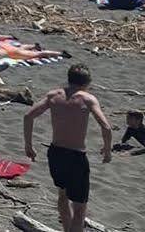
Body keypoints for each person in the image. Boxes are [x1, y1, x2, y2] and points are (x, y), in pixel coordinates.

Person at [24, 65, 112, 232]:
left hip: (56, 153)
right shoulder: (87, 99)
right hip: (76, 156)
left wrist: (28, 145)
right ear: (87, 83)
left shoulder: (53, 95)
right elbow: (106, 127)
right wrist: (107, 150)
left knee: (62, 195)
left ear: (69, 79)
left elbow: (28, 116)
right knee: (79, 208)